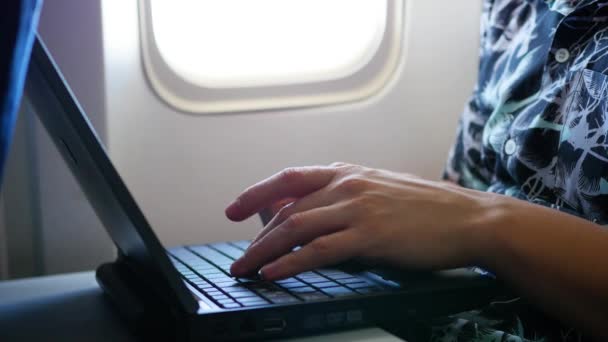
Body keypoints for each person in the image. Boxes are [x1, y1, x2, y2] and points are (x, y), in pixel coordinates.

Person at [226, 1, 608, 340]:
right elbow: (468, 187)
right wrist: (383, 221)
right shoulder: (514, 8)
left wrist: (481, 222)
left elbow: (475, 216)